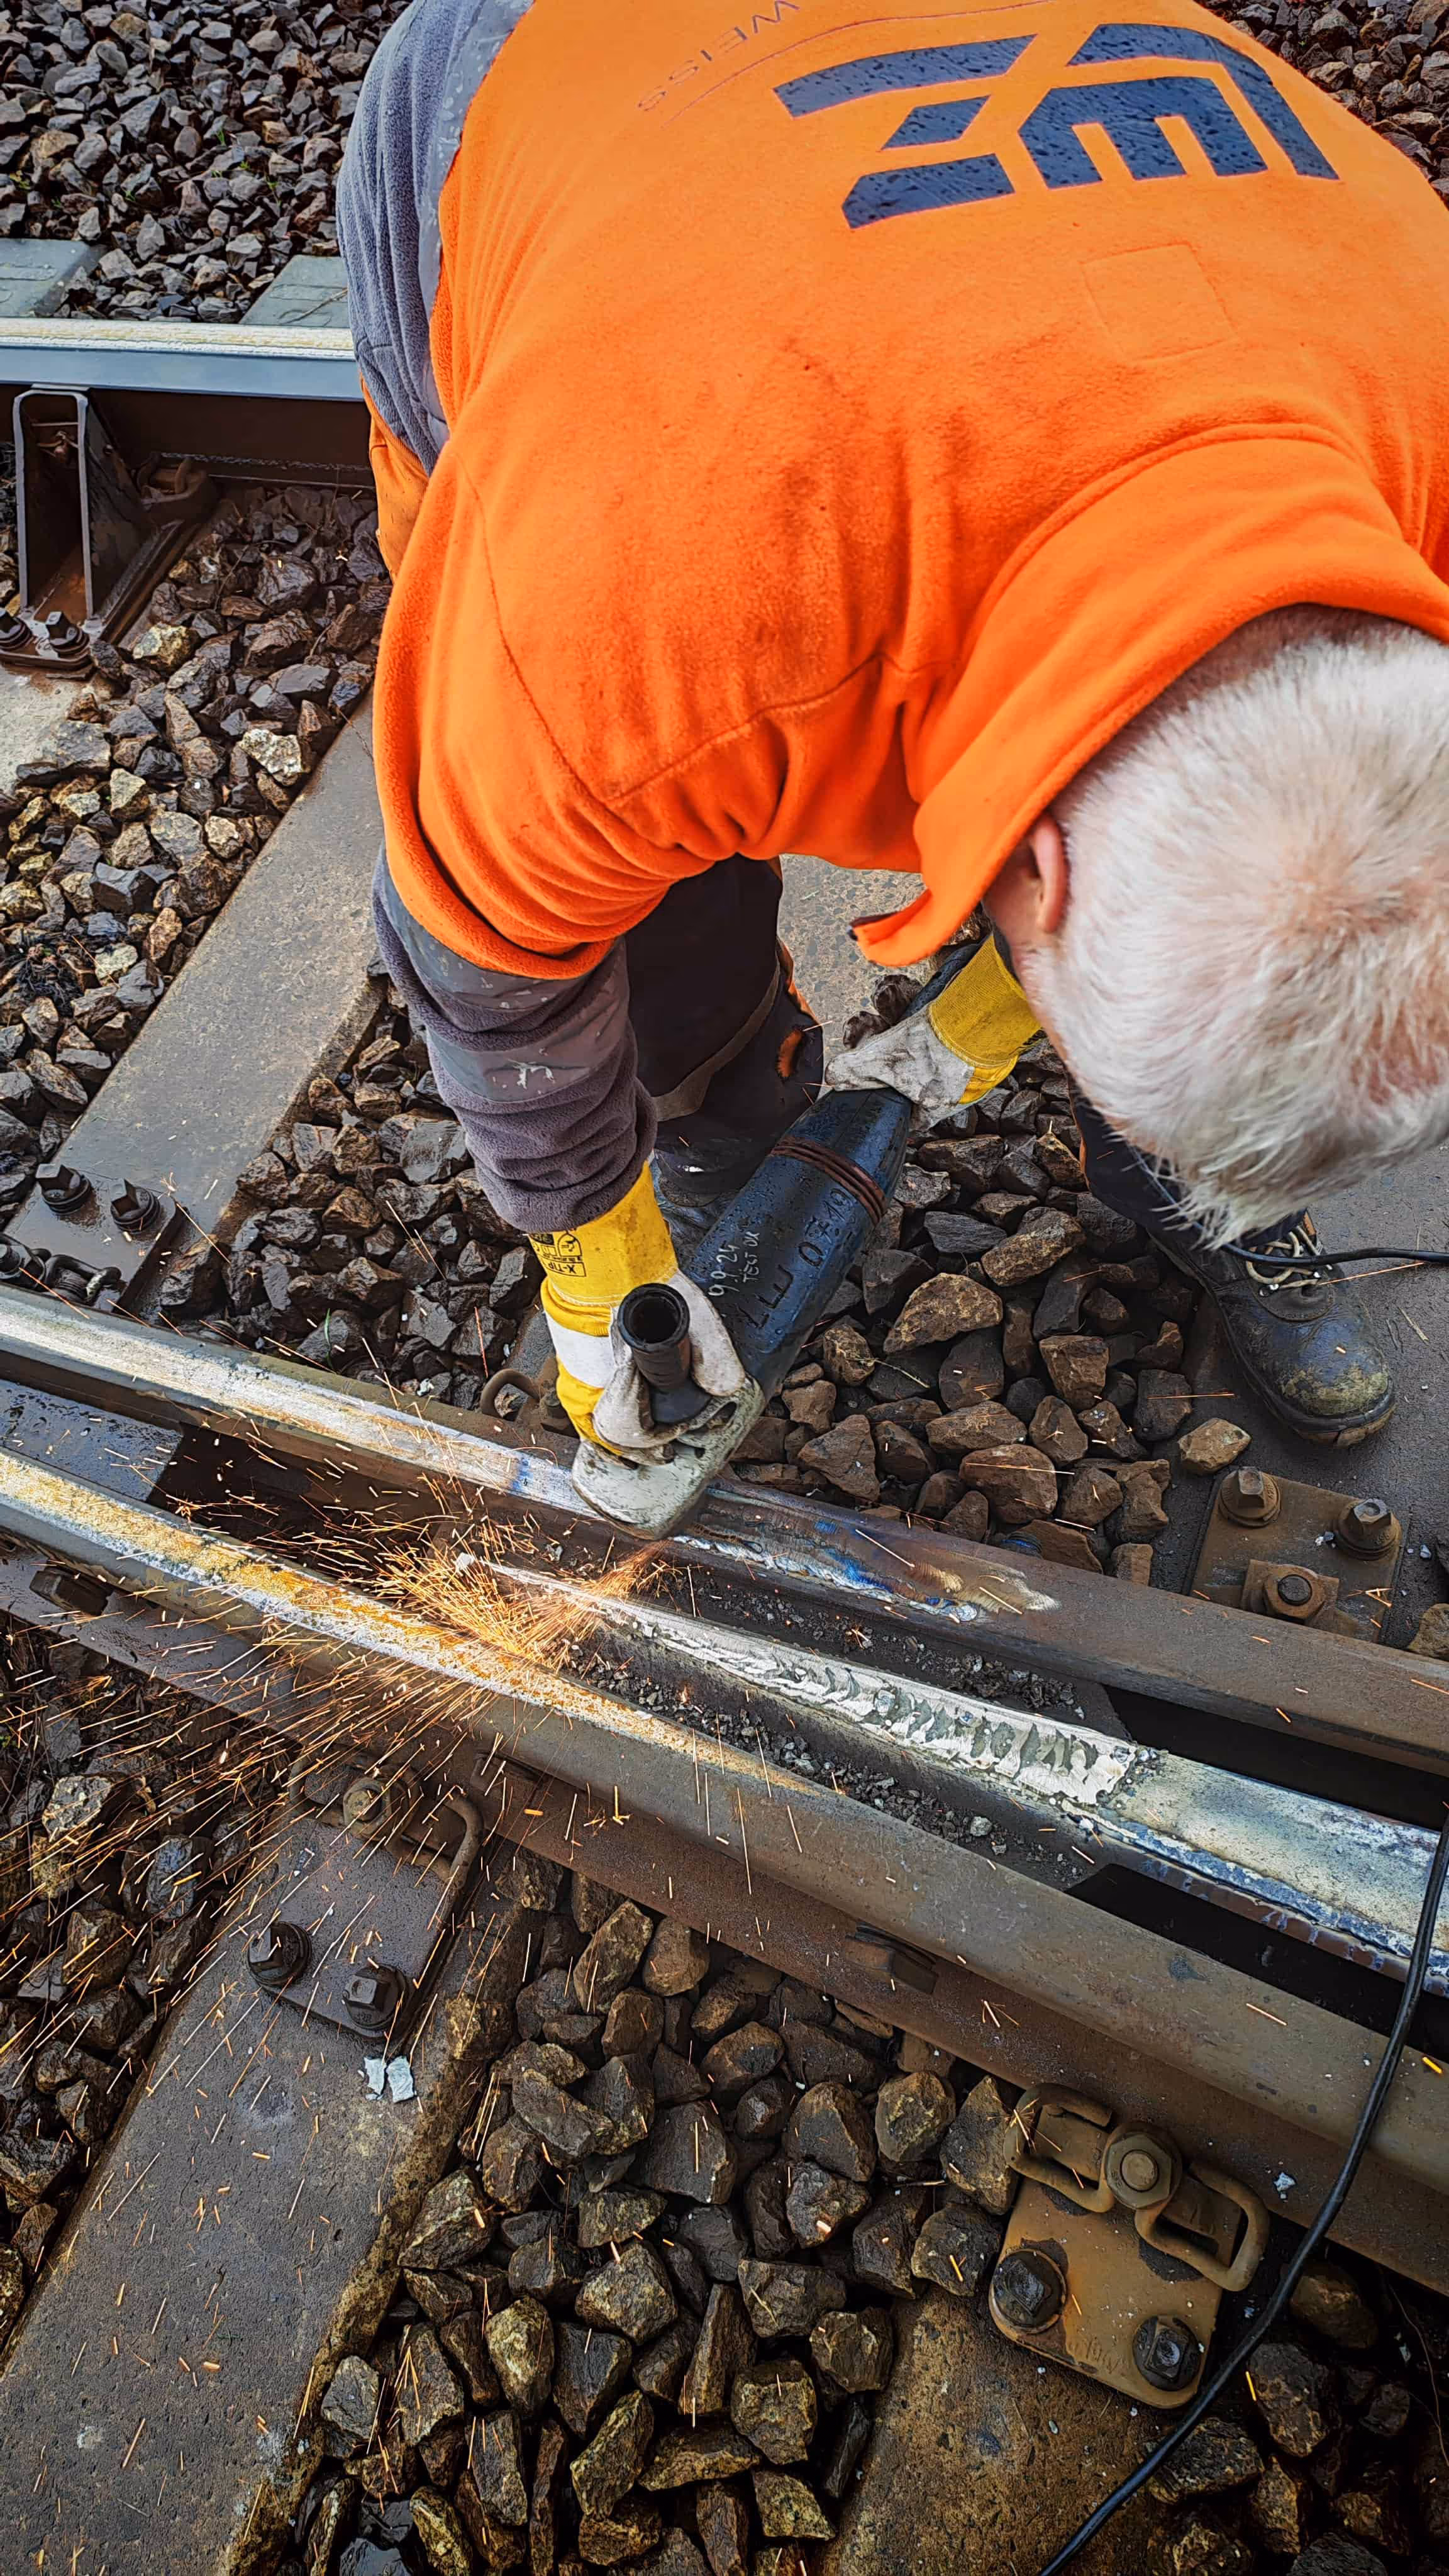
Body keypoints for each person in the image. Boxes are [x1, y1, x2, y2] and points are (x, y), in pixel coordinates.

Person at [338, 0, 1449, 1464]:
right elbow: (497, 966)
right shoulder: (618, 637)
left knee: (1227, 973)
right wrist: (598, 1272)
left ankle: (1179, 1161)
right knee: (648, 891)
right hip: (532, 78)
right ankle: (727, 1117)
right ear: (1038, 869)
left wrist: (1030, 1035)